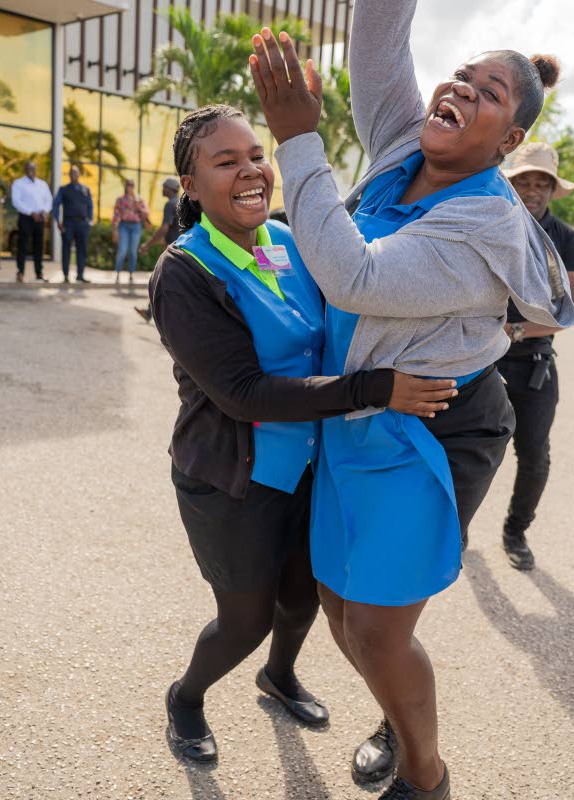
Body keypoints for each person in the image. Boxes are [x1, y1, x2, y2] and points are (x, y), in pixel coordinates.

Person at [250, 3, 574, 796]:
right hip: (360, 409)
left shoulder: (485, 225)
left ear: (506, 143)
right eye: (462, 75)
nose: (462, 87)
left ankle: (425, 775)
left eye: (489, 91)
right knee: (337, 602)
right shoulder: (405, 145)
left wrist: (297, 138)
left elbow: (354, 276)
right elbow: (379, 39)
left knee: (377, 622)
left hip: (435, 424)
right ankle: (399, 718)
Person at [149, 104, 459, 765]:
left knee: (301, 597)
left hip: (313, 466)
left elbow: (360, 299)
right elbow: (243, 394)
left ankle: (280, 676)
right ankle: (187, 697)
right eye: (225, 161)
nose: (251, 171)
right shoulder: (185, 271)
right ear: (191, 184)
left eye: (256, 155)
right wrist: (373, 391)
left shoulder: (285, 239)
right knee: (246, 620)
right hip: (233, 477)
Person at [498, 142, 574, 570]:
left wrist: (512, 331)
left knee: (534, 457)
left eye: (541, 183)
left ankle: (516, 532)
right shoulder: (490, 224)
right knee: (456, 445)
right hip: (478, 360)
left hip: (531, 363)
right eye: (523, 181)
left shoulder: (569, 241)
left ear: (552, 190)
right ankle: (451, 530)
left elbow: (568, 314)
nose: (532, 190)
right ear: (510, 184)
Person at [136, 176, 180, 321]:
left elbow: (164, 228)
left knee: (159, 280)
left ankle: (152, 313)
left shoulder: (170, 204)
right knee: (166, 281)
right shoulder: (182, 202)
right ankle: (150, 312)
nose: (162, 189)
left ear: (170, 189)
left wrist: (147, 244)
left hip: (174, 251)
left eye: (164, 187)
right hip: (182, 248)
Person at [11, 161, 52, 283]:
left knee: (39, 247)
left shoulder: (42, 184)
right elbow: (16, 201)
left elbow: (48, 200)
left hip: (40, 219)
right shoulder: (18, 183)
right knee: (23, 245)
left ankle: (39, 273)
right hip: (26, 218)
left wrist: (45, 212)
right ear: (25, 169)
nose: (31, 170)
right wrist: (31, 213)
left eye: (33, 168)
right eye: (28, 168)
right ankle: (20, 272)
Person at [53, 165, 93, 284]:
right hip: (68, 223)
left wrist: (89, 221)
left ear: (79, 174)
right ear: (69, 175)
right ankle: (65, 275)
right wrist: (58, 221)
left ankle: (80, 275)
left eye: (75, 173)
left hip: (82, 223)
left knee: (82, 249)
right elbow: (56, 205)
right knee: (66, 249)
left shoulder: (85, 189)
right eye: (71, 173)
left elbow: (90, 206)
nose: (73, 175)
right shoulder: (63, 189)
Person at [111, 178, 148, 284]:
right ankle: (117, 273)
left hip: (136, 226)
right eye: (128, 185)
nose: (130, 187)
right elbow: (116, 214)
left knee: (132, 251)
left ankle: (131, 274)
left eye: (132, 185)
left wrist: (139, 208)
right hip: (124, 225)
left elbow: (146, 213)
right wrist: (114, 229)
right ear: (125, 186)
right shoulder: (120, 199)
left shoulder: (139, 199)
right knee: (122, 250)